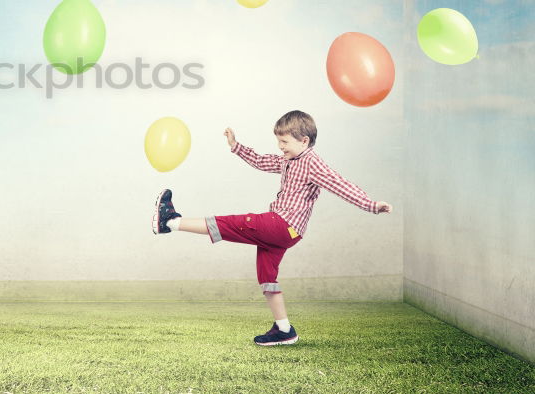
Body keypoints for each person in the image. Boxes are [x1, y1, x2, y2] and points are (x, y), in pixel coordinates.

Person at [152, 110, 392, 346]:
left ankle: (170, 222)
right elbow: (261, 161)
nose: (280, 146)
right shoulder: (289, 160)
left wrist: (371, 205)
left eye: (284, 142)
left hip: (283, 224)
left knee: (235, 222)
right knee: (267, 278)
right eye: (278, 141)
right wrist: (236, 146)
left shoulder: (313, 163)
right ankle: (284, 330)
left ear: (304, 140)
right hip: (284, 232)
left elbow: (341, 185)